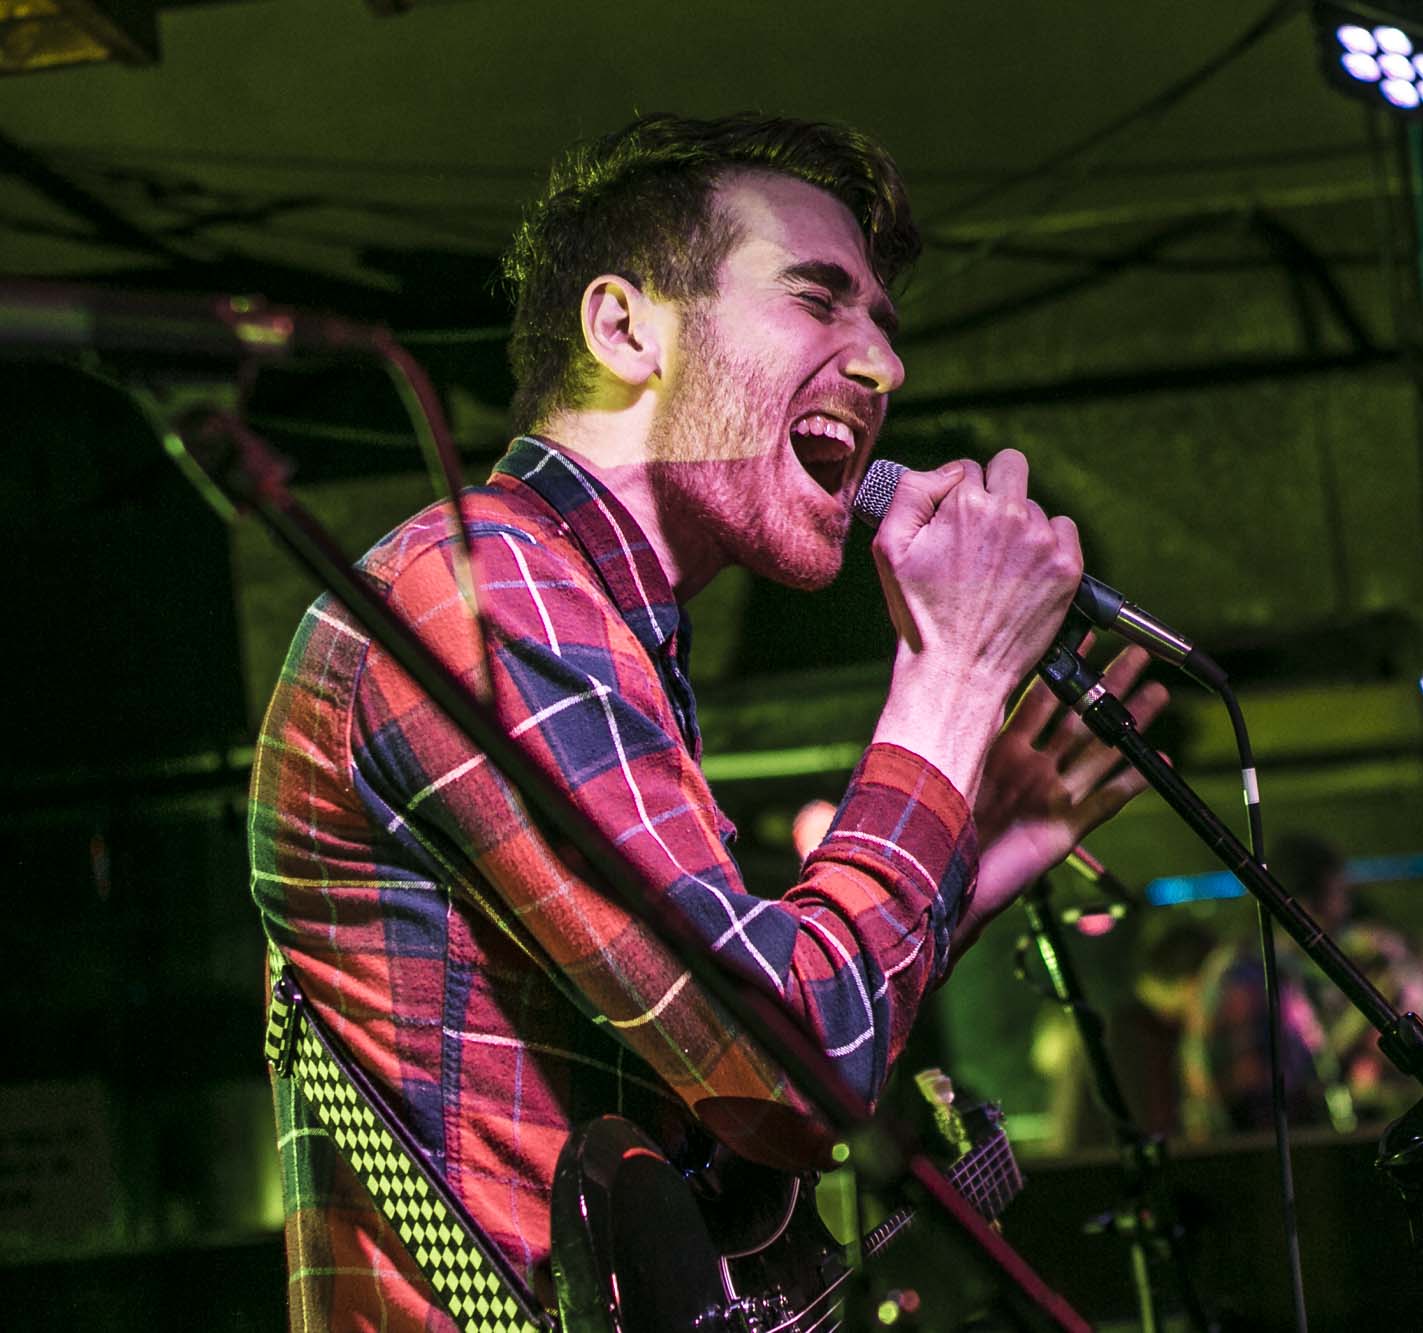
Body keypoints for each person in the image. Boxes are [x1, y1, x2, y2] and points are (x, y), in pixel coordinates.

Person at [249, 112, 1166, 1330]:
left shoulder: (600, 625)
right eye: (816, 300)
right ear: (624, 328)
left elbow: (720, 1083)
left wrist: (971, 859)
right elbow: (793, 1070)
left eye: (882, 325)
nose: (881, 367)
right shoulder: (480, 592)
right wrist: (946, 679)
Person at [1182, 837, 1423, 1138]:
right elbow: (1259, 1100)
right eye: (1338, 894)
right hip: (1259, 1153)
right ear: (1305, 904)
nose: (1346, 908)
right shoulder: (1245, 977)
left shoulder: (1278, 969)